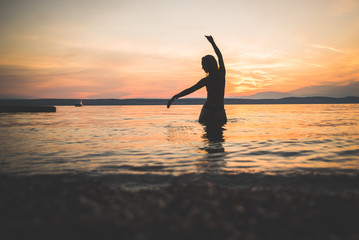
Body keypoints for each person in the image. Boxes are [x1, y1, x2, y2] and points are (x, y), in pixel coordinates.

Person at [167, 35, 227, 125]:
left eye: (203, 65)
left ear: (208, 65)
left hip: (208, 111)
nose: (202, 67)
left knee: (208, 138)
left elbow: (190, 90)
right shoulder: (221, 74)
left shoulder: (207, 80)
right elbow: (220, 56)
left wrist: (175, 97)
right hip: (218, 112)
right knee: (219, 138)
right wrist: (212, 42)